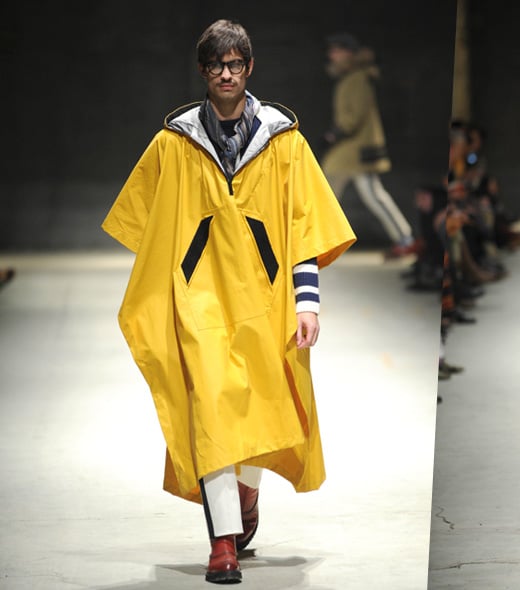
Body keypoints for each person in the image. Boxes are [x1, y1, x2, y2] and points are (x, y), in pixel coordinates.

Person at [101, 19, 356, 584]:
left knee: (261, 405)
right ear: (203, 70)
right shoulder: (174, 143)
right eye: (216, 64)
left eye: (235, 63)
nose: (226, 74)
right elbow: (149, 227)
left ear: (249, 67)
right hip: (200, 301)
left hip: (266, 298)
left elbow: (304, 228)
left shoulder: (285, 143)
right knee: (213, 407)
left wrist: (307, 303)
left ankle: (246, 493)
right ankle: (222, 543)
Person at [321, 32, 416, 259]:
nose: (332, 55)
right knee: (335, 192)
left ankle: (406, 239)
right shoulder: (355, 77)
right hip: (353, 149)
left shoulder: (357, 78)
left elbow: (354, 117)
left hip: (356, 148)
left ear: (349, 53)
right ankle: (405, 239)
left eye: (337, 50)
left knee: (364, 193)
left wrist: (335, 133)